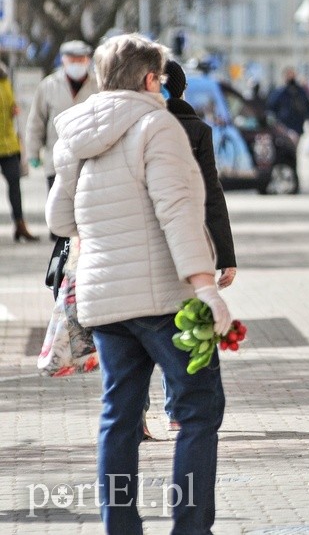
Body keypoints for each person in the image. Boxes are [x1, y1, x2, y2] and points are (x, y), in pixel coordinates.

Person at [45, 33, 231, 535]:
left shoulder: (77, 134)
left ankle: (120, 527)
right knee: (198, 408)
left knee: (119, 415)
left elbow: (59, 219)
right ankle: (190, 527)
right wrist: (206, 288)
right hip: (164, 299)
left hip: (105, 300)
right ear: (152, 79)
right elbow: (178, 215)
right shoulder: (157, 126)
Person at [155, 58, 237, 432]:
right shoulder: (197, 130)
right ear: (184, 89)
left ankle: (136, 415)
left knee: (141, 329)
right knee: (182, 326)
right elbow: (211, 195)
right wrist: (226, 255)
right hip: (188, 242)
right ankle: (176, 409)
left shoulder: (130, 125)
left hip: (143, 242)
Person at [25, 40, 98, 192]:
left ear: (88, 60)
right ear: (63, 60)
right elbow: (36, 121)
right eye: (73, 60)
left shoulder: (97, 85)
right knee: (58, 211)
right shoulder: (49, 85)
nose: (77, 64)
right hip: (56, 162)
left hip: (90, 161)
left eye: (81, 60)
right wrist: (33, 152)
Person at [0, 61, 40, 242]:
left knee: (15, 184)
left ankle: (20, 224)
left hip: (8, 144)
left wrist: (14, 108)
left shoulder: (4, 80)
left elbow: (10, 106)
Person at [266, 67, 309, 138]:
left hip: (298, 126)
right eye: (288, 75)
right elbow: (270, 109)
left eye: (292, 75)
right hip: (284, 128)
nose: (290, 77)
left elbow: (307, 107)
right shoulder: (279, 93)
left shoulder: (300, 92)